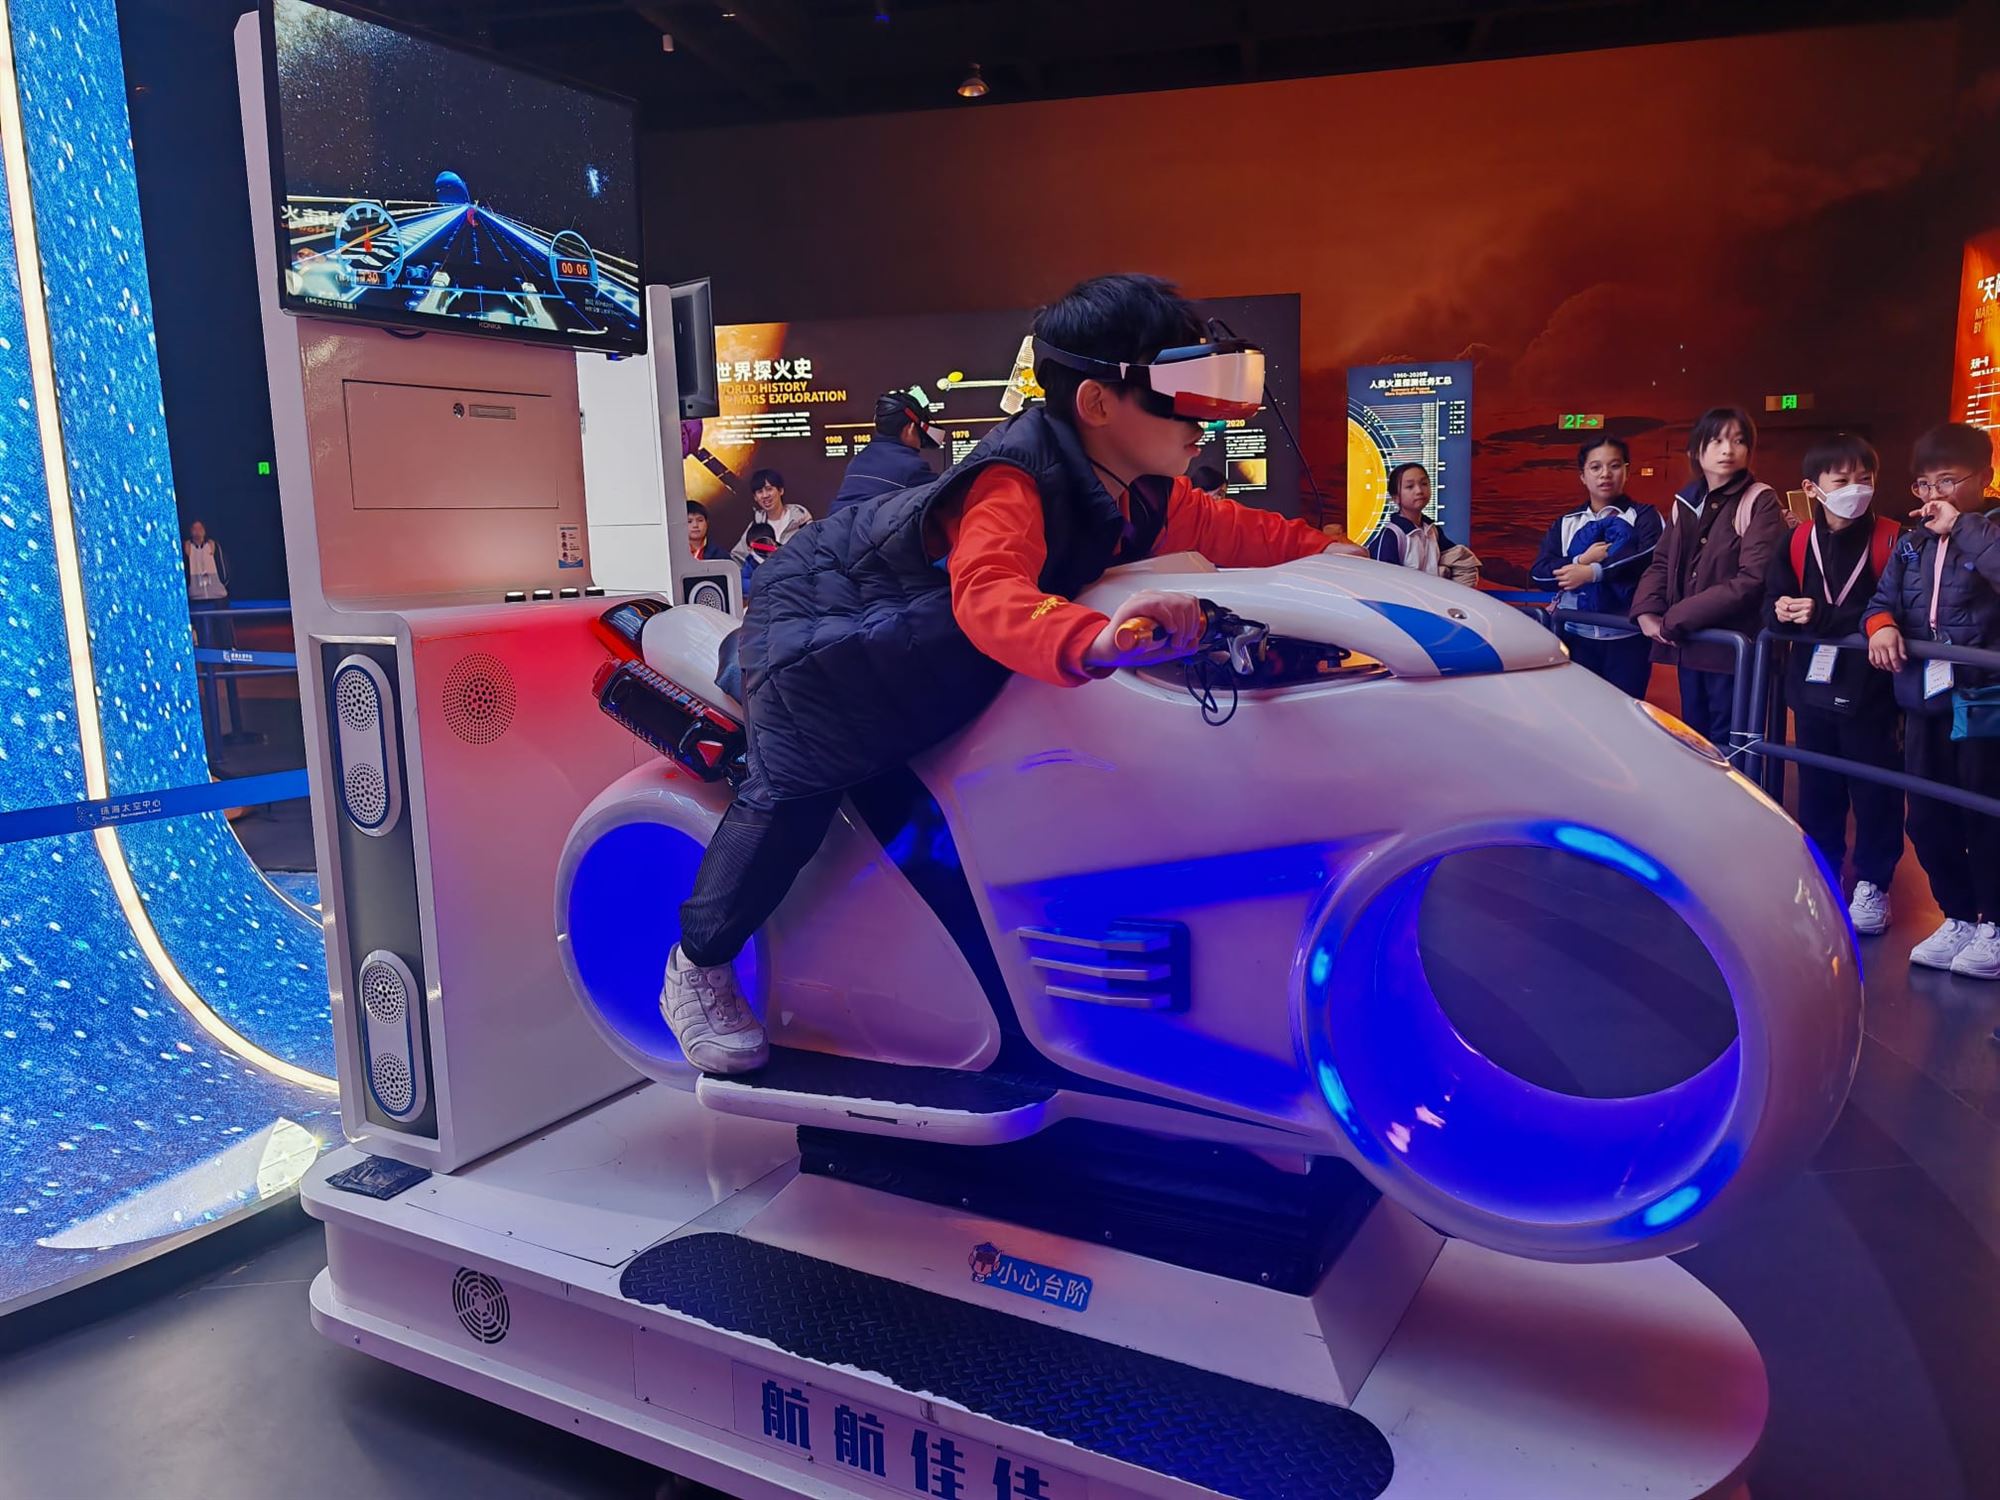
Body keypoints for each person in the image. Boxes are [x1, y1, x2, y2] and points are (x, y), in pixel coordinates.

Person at [658, 273, 1365, 1074]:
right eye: (1177, 395)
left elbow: (1236, 529)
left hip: (908, 636)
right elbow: (990, 596)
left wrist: (1335, 553)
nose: (1201, 420)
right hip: (828, 633)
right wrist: (1097, 640)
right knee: (795, 793)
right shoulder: (1013, 480)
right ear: (1097, 403)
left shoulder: (1141, 488)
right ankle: (697, 965)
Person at [1864, 422, 2000, 977]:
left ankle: (1995, 924)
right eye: (1924, 484)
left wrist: (1964, 528)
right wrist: (1880, 625)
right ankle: (1959, 916)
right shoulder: (1912, 542)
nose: (1933, 495)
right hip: (1923, 698)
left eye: (1947, 481)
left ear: (1984, 477)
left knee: (1983, 816)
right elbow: (1881, 599)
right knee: (1925, 815)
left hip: (1984, 701)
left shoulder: (1990, 531)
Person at [1764, 433, 1904, 935]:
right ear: (1812, 488)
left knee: (1874, 789)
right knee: (1818, 786)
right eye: (1841, 480)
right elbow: (1773, 602)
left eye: (1865, 479)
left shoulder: (1893, 539)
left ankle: (1873, 884)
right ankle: (1821, 877)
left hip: (1874, 691)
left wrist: (1820, 615)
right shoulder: (1797, 540)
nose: (1855, 489)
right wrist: (1782, 610)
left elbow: (1893, 610)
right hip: (1810, 686)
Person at [1631, 406, 1786, 747]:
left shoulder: (1759, 499)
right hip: (1692, 645)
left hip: (1733, 650)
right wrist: (1645, 611)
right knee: (1695, 739)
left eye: (1739, 441)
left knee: (1731, 746)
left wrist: (1677, 618)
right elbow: (1662, 561)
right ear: (1696, 450)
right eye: (1717, 441)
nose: (1728, 450)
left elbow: (1753, 578)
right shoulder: (1686, 501)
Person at [1528, 437, 1662, 697]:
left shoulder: (1645, 516)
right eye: (1596, 467)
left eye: (1614, 466)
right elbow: (1539, 573)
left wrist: (1593, 573)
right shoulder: (1567, 522)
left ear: (1627, 471)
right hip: (1576, 638)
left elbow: (1648, 557)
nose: (1605, 474)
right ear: (1583, 476)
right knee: (1579, 711)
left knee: (1626, 711)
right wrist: (1579, 562)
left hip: (1628, 639)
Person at [829, 391, 942, 514]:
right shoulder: (911, 467)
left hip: (832, 524)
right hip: (866, 527)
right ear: (910, 429)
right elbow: (943, 496)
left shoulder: (857, 461)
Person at [731, 470, 812, 562]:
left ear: (781, 490)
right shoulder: (756, 525)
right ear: (755, 497)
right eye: (760, 491)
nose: (765, 495)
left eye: (769, 489)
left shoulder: (801, 520)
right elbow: (737, 557)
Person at [184, 519, 229, 605]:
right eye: (194, 528)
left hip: (219, 597)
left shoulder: (213, 546)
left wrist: (223, 583)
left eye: (200, 528)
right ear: (190, 531)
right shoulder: (186, 548)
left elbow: (223, 567)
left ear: (204, 531)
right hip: (195, 598)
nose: (197, 531)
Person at [738, 521, 778, 601]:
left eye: (767, 546)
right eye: (758, 547)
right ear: (749, 549)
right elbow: (743, 584)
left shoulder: (782, 561)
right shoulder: (748, 568)